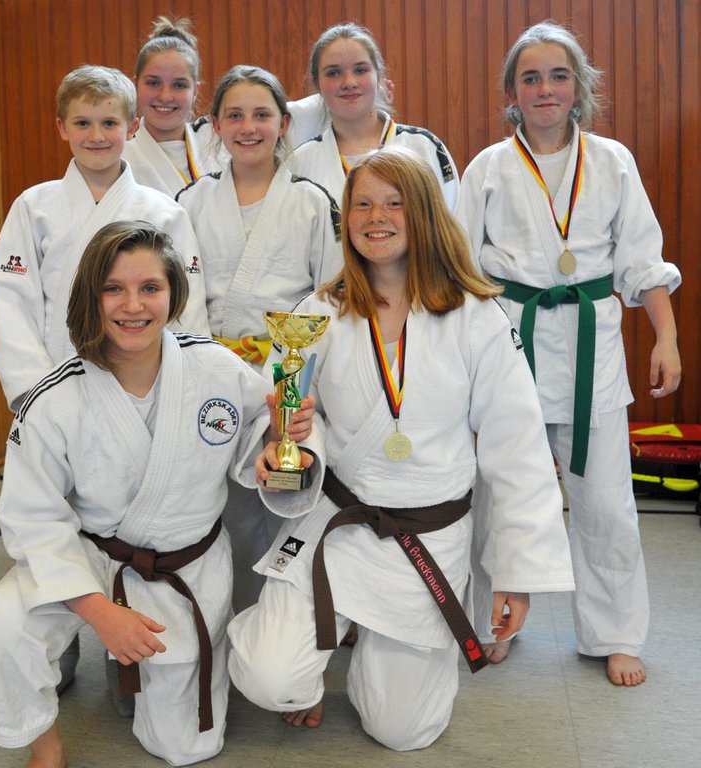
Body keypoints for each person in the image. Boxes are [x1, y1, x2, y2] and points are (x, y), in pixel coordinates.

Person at [227, 147, 575, 750]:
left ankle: (364, 649)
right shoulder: (317, 313)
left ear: (424, 214)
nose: (376, 216)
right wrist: (285, 444)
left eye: (394, 203)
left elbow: (516, 450)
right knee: (270, 678)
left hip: (427, 535)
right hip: (338, 524)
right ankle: (310, 665)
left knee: (403, 731)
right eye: (362, 203)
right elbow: (278, 412)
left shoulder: (477, 317)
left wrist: (516, 575)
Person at [0, 221, 316, 768]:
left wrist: (276, 442)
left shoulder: (216, 369)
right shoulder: (55, 398)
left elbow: (256, 440)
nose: (133, 305)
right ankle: (46, 748)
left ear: (174, 292)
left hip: (184, 564)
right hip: (94, 559)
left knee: (186, 749)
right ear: (91, 295)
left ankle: (144, 673)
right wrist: (101, 613)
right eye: (113, 288)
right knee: (1, 625)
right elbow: (34, 521)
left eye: (150, 287)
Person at [455, 21, 682, 686]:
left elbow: (642, 259)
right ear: (511, 93)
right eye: (530, 78)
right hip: (508, 343)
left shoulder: (612, 161)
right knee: (497, 498)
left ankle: (614, 633)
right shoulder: (488, 168)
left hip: (591, 352)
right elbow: (460, 269)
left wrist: (667, 337)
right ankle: (495, 623)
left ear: (579, 88)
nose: (545, 89)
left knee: (605, 503)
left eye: (559, 76)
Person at [176, 64, 343, 610]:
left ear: (283, 123)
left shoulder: (312, 201)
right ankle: (217, 619)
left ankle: (284, 620)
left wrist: (300, 373)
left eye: (262, 115)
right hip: (209, 369)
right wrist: (199, 360)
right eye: (234, 115)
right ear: (216, 126)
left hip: (287, 372)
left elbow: (331, 297)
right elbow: (179, 297)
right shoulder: (190, 202)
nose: (248, 127)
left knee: (282, 493)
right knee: (215, 501)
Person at [0, 64, 209, 414]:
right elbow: (11, 303)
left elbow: (186, 307)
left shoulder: (164, 213)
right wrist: (35, 389)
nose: (96, 135)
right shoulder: (34, 207)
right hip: (53, 384)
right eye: (82, 123)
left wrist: (180, 383)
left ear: (132, 127)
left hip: (145, 386)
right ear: (62, 127)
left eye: (109, 123)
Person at [125, 16, 329, 198]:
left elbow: (321, 106)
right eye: (153, 83)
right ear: (136, 85)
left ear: (195, 91)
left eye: (179, 85)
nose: (165, 96)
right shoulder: (122, 154)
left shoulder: (224, 130)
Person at [289, 21, 459, 211]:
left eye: (360, 70)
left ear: (378, 76)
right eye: (333, 73)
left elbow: (452, 223)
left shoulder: (424, 147)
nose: (349, 82)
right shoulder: (299, 163)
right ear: (317, 84)